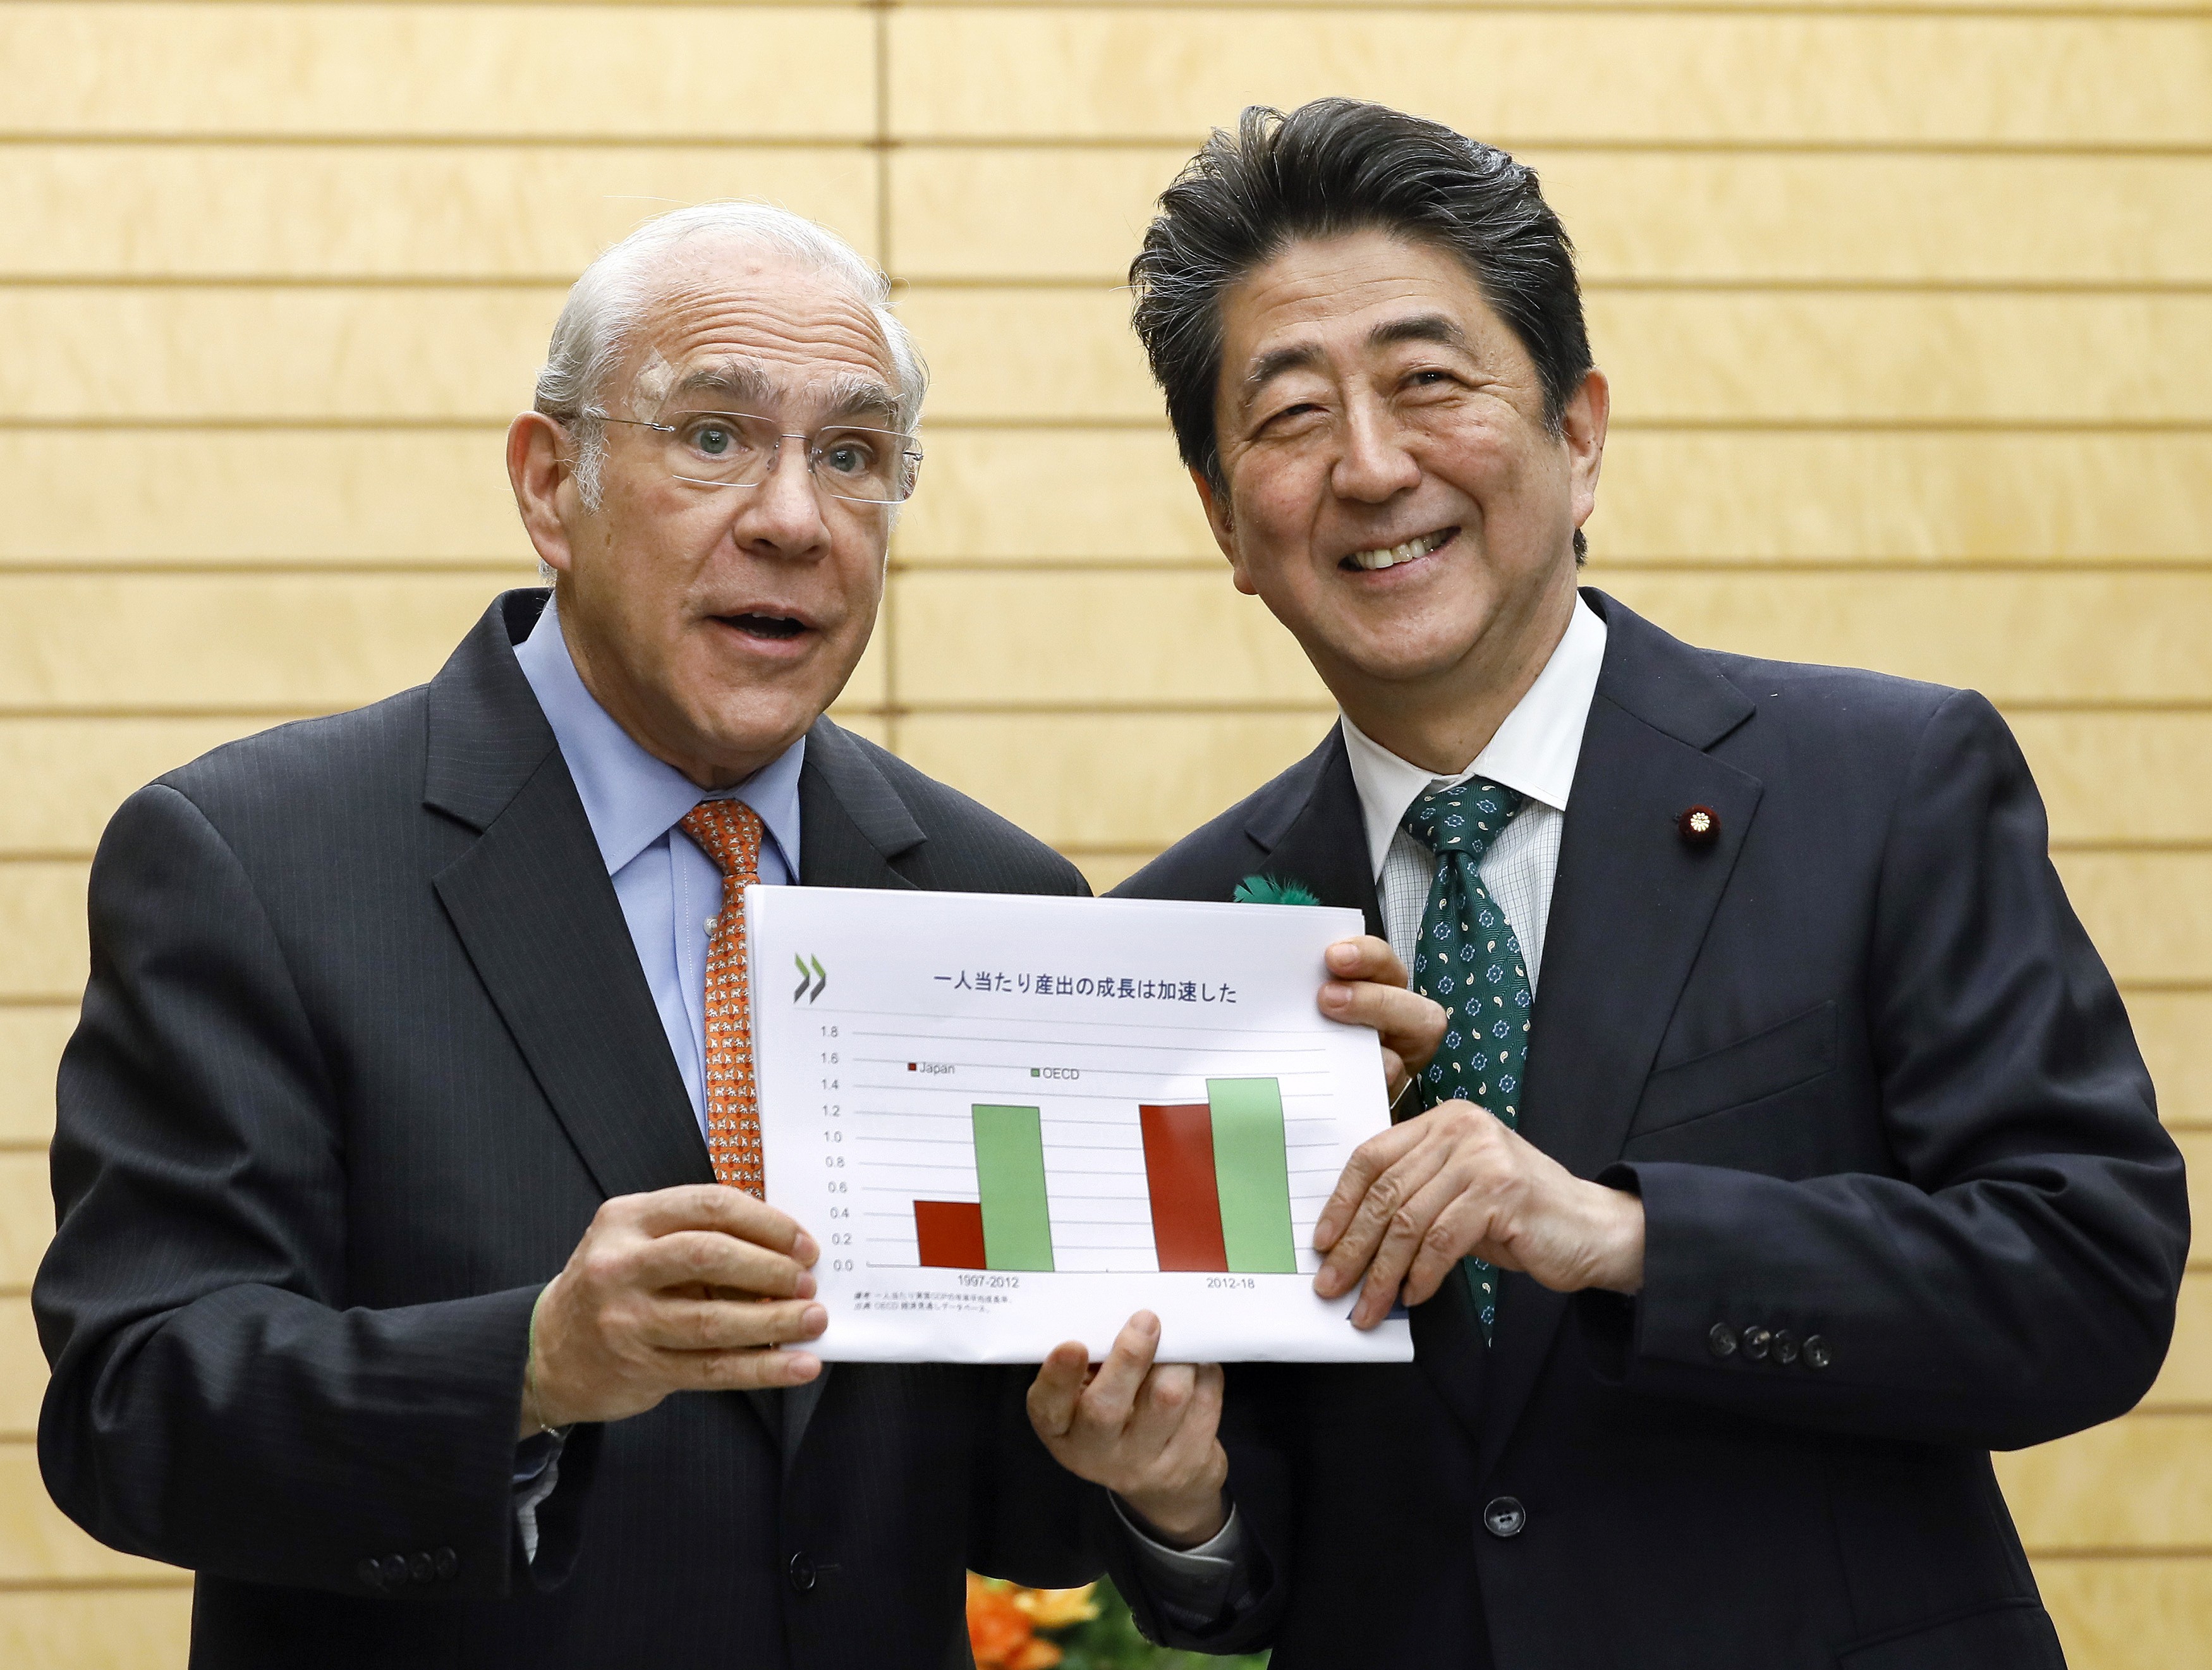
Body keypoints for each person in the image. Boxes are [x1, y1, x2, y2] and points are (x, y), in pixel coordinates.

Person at [1025, 101, 2190, 1668]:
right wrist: (1180, 1498)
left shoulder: (1880, 783)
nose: (1371, 467)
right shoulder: (1177, 938)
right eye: (1292, 416)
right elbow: (1247, 1576)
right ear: (1227, 520)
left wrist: (1622, 1231)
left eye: (1428, 382)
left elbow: (2085, 1287)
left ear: (1577, 435)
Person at [37, 202, 1116, 1669]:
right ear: (552, 486)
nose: (793, 517)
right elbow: (137, 1404)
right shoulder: (259, 859)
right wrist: (530, 1367)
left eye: (853, 456)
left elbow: (1013, 1487)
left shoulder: (1001, 905)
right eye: (717, 436)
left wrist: (1153, 1465)